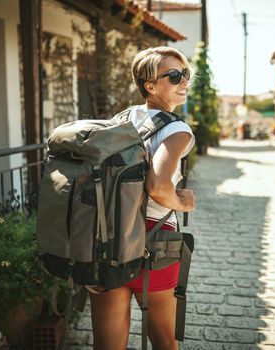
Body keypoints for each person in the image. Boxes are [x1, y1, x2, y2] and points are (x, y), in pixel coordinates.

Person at [88, 46, 196, 350]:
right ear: (149, 85)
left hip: (107, 238)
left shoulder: (120, 121)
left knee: (107, 346)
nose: (183, 80)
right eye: (174, 75)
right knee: (164, 343)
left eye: (185, 73)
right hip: (154, 243)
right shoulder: (176, 129)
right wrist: (183, 202)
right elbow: (159, 187)